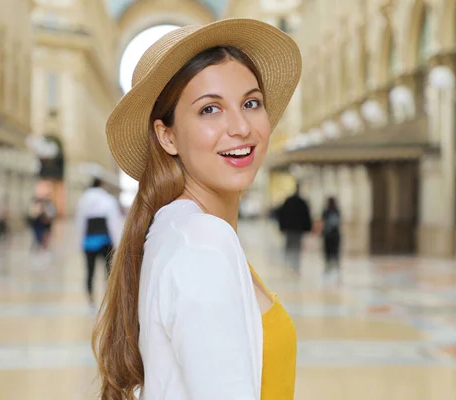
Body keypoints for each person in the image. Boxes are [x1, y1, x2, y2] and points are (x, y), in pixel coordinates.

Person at [92, 18, 301, 400]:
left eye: (251, 103)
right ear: (166, 135)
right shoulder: (203, 242)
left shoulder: (177, 226)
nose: (240, 127)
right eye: (210, 110)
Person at [76, 178, 124, 305]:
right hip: (105, 241)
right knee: (107, 271)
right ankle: (108, 297)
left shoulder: (83, 200)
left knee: (90, 271)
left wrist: (80, 241)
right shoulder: (108, 199)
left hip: (89, 241)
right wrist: (117, 242)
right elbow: (113, 223)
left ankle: (90, 298)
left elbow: (80, 222)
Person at [276, 184, 312, 276]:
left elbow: (281, 214)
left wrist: (282, 227)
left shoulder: (288, 201)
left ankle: (289, 266)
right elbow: (306, 216)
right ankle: (295, 266)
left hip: (289, 229)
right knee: (297, 247)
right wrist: (307, 228)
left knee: (289, 246)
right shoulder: (302, 202)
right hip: (298, 229)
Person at [321, 196, 342, 283]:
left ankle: (333, 266)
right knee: (331, 250)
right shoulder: (333, 211)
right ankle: (330, 265)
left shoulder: (332, 212)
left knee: (332, 251)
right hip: (331, 235)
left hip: (331, 235)